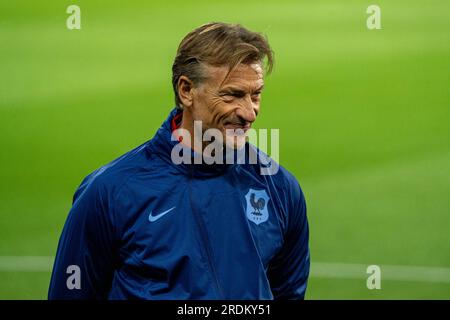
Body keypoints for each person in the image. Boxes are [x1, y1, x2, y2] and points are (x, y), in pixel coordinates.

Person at [48, 22, 310, 300]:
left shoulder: (280, 189)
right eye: (232, 94)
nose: (249, 113)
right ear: (186, 90)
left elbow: (288, 293)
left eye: (255, 94)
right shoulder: (110, 192)